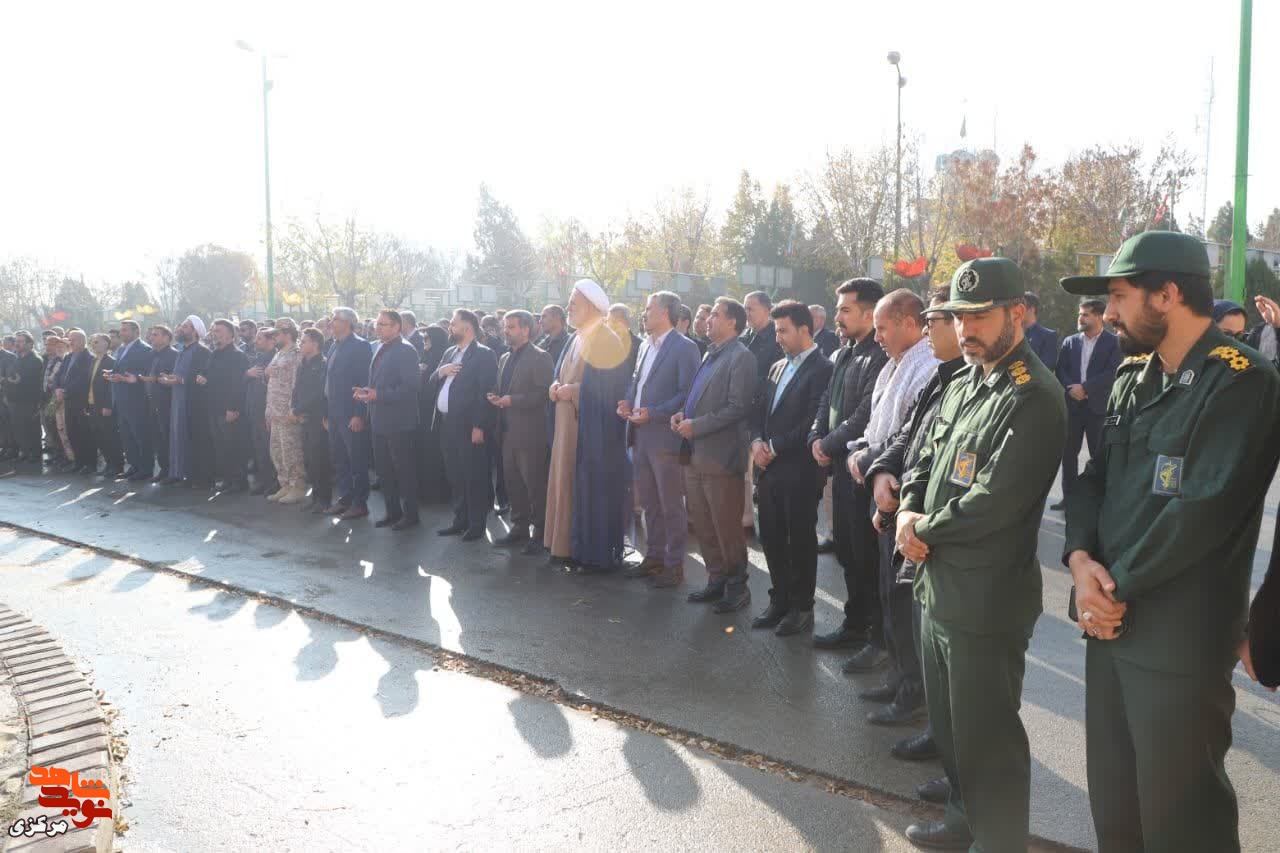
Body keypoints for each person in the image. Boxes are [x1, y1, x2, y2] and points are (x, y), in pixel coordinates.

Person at [1059, 231, 1280, 852]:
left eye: (1120, 297)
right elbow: (1094, 479)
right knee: (1117, 811)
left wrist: (1108, 591)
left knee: (1183, 824)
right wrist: (1080, 561)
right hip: (1108, 627)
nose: (1108, 314)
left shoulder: (1242, 380)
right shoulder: (1134, 374)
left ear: (1168, 294)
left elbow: (1202, 509)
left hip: (1178, 641)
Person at [895, 257, 1066, 852]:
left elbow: (995, 498)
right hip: (938, 585)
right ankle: (962, 821)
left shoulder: (1033, 394)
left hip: (985, 600)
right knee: (950, 728)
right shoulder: (966, 382)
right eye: (959, 317)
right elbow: (924, 456)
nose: (966, 329)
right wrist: (907, 509)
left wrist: (924, 529)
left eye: (980, 317)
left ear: (1017, 314)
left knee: (988, 738)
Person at [864, 287, 965, 792]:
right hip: (908, 515)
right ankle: (934, 726)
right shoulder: (944, 377)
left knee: (949, 660)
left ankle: (957, 764)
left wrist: (913, 518)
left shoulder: (976, 382)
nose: (928, 331)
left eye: (937, 321)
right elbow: (912, 437)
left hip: (938, 537)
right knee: (904, 614)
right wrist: (884, 473)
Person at [847, 289, 937, 715]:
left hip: (902, 494)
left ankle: (913, 693)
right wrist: (866, 456)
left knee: (904, 600)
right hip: (883, 485)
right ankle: (900, 678)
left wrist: (872, 461)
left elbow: (909, 435)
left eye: (883, 328)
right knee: (888, 592)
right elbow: (883, 426)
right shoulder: (895, 364)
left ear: (908, 323)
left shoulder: (927, 366)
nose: (878, 336)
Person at [808, 278, 887, 658]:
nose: (836, 317)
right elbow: (827, 399)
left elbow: (864, 415)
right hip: (839, 468)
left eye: (844, 310)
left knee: (865, 555)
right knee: (846, 551)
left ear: (869, 314)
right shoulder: (845, 352)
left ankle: (874, 633)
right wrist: (815, 435)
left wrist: (828, 443)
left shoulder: (880, 356)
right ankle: (855, 624)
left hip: (861, 471)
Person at [750, 300, 834, 636]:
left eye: (783, 331)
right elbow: (760, 411)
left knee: (798, 541)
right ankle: (780, 600)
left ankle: (802, 608)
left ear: (804, 329)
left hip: (799, 470)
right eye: (776, 331)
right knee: (770, 537)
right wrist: (756, 441)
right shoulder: (776, 366)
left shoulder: (823, 368)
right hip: (768, 470)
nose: (778, 337)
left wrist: (773, 447)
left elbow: (812, 421)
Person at [677, 297, 758, 612]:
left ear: (733, 322)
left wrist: (695, 426)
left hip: (721, 458)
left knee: (726, 527)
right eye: (709, 313)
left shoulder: (741, 357)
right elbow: (697, 397)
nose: (708, 319)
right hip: (695, 455)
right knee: (702, 523)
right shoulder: (710, 353)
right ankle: (716, 579)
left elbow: (738, 407)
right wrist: (681, 414)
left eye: (715, 314)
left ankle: (737, 587)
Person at [618, 291, 701, 588]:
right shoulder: (644, 346)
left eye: (649, 308)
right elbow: (637, 382)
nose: (644, 313)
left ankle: (674, 564)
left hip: (665, 437)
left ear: (665, 312)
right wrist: (628, 402)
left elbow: (687, 395)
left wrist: (653, 413)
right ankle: (653, 557)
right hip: (640, 434)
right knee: (649, 502)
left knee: (670, 504)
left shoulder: (685, 347)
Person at [566, 287, 633, 573]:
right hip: (589, 430)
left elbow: (604, 391)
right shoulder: (586, 336)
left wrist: (575, 392)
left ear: (591, 307)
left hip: (602, 433)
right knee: (586, 492)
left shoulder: (605, 339)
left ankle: (600, 557)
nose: (569, 308)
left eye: (574, 303)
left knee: (600, 493)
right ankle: (584, 552)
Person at [488, 310, 554, 552]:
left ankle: (541, 532)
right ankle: (519, 527)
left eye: (511, 326)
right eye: (505, 326)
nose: (505, 331)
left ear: (525, 329)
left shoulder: (540, 357)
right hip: (507, 431)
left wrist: (512, 400)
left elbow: (543, 394)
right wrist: (495, 396)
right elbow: (502, 387)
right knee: (513, 482)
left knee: (534, 484)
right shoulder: (505, 357)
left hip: (530, 433)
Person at [432, 309, 499, 540]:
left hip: (468, 425)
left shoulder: (484, 354)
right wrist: (441, 372)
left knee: (473, 476)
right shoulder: (450, 352)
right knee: (455, 475)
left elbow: (485, 392)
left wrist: (479, 426)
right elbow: (431, 380)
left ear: (468, 327)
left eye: (454, 323)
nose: (450, 327)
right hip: (447, 424)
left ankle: (476, 525)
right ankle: (460, 520)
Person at [355, 309, 422, 530]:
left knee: (404, 470)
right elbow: (381, 382)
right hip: (379, 419)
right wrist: (368, 391)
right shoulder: (381, 347)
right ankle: (393, 512)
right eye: (377, 323)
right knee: (384, 470)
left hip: (399, 421)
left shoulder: (405, 350)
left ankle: (410, 515)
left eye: (383, 324)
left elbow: (411, 387)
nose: (377, 327)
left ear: (396, 327)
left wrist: (379, 395)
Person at [1050, 298, 1119, 511]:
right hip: (1072, 407)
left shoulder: (1114, 343)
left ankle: (1097, 500)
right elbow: (1060, 369)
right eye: (1080, 314)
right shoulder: (1070, 342)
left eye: (1085, 314)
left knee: (1098, 456)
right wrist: (1071, 388)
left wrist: (1086, 388)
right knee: (1068, 454)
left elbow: (1113, 372)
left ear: (1099, 317)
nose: (1080, 318)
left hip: (1097, 407)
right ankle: (1068, 498)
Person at [324, 307, 374, 520]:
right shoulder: (333, 345)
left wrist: (359, 414)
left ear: (347, 323)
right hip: (334, 411)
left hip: (350, 412)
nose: (331, 322)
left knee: (356, 460)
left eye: (335, 319)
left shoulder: (360, 346)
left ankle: (359, 503)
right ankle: (345, 499)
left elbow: (364, 381)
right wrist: (327, 413)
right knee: (339, 458)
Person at [741, 290, 784, 533]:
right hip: (742, 412)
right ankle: (745, 520)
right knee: (743, 471)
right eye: (745, 308)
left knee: (761, 470)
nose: (746, 314)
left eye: (751, 309)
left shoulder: (775, 339)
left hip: (763, 413)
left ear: (767, 310)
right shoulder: (745, 336)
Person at [159, 316, 213, 488]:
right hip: (178, 400)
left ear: (195, 331)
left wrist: (180, 380)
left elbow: (202, 377)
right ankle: (178, 473)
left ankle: (197, 477)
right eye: (181, 326)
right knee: (177, 437)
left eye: (186, 326)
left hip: (193, 403)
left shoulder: (202, 351)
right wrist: (171, 377)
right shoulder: (182, 350)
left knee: (194, 440)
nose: (181, 329)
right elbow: (181, 374)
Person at [102, 320, 153, 480]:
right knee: (127, 436)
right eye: (121, 330)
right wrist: (111, 373)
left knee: (140, 436)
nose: (121, 333)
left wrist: (128, 378)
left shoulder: (144, 349)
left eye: (125, 330)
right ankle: (134, 465)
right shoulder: (122, 349)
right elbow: (121, 369)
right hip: (121, 399)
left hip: (136, 400)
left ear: (136, 332)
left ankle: (146, 469)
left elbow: (146, 372)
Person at [205, 319, 250, 492]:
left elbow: (238, 385)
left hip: (230, 409)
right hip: (214, 407)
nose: (215, 334)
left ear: (231, 334)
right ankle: (227, 479)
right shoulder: (214, 354)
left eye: (219, 331)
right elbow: (210, 376)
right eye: (214, 331)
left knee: (234, 446)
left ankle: (239, 482)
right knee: (221, 447)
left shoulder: (237, 356)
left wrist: (233, 408)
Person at [292, 328, 332, 513]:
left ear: (315, 344)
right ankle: (315, 496)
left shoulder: (322, 364)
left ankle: (324, 499)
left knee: (320, 460)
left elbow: (318, 394)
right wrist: (294, 408)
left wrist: (298, 409)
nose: (300, 344)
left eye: (304, 341)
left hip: (317, 417)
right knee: (309, 459)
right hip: (304, 417)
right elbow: (297, 389)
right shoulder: (303, 363)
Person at [265, 325, 306, 504]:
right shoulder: (279, 353)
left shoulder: (296, 354)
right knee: (277, 450)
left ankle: (298, 486)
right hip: (275, 410)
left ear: (288, 334)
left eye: (277, 334)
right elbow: (271, 379)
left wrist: (293, 408)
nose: (274, 337)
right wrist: (268, 408)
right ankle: (286, 484)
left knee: (291, 451)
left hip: (287, 411)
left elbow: (297, 384)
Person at [417, 325, 451, 504]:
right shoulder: (425, 355)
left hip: (434, 411)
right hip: (422, 410)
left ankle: (438, 493)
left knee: (435, 452)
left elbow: (435, 384)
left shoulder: (441, 356)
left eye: (427, 338)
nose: (424, 342)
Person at [245, 328, 279, 495]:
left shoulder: (275, 358)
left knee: (269, 447)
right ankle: (264, 481)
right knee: (259, 448)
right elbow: (245, 379)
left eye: (260, 338)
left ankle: (274, 483)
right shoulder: (258, 357)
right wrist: (247, 373)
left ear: (271, 340)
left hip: (266, 409)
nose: (256, 341)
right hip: (254, 409)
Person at [142, 325, 177, 482]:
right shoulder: (151, 354)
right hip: (151, 402)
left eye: (155, 335)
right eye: (151, 335)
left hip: (167, 403)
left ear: (166, 337)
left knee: (168, 438)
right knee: (158, 438)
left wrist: (157, 379)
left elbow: (174, 378)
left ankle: (173, 471)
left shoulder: (174, 355)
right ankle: (164, 469)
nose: (151, 338)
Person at [86, 333, 124, 477]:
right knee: (99, 436)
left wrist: (108, 405)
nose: (93, 344)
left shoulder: (111, 362)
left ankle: (117, 465)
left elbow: (111, 387)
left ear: (106, 344)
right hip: (92, 404)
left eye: (97, 342)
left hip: (104, 406)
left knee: (110, 436)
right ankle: (109, 464)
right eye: (92, 342)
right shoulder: (93, 361)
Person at [57, 330, 95, 474]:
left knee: (85, 433)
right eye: (69, 339)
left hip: (81, 401)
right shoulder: (68, 357)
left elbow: (84, 379)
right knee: (72, 432)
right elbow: (60, 374)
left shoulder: (89, 358)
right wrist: (57, 388)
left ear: (82, 341)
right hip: (68, 400)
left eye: (73, 339)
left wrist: (65, 390)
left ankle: (90, 464)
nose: (70, 342)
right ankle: (79, 462)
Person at [4, 332, 43, 463]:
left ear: (30, 344)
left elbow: (32, 382)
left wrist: (16, 380)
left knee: (31, 428)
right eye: (16, 341)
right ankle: (25, 451)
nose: (17, 344)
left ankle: (35, 454)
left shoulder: (35, 360)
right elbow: (10, 375)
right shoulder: (17, 358)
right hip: (14, 400)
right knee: (19, 428)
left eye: (20, 341)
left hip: (28, 401)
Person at [1022, 290, 1058, 369]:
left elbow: (1047, 366)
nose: (1017, 311)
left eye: (1022, 307)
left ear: (1032, 309)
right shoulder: (1011, 335)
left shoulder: (1048, 336)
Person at [537, 304, 571, 376]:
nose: (540, 321)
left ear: (557, 318)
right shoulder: (542, 343)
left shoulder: (570, 343)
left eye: (544, 317)